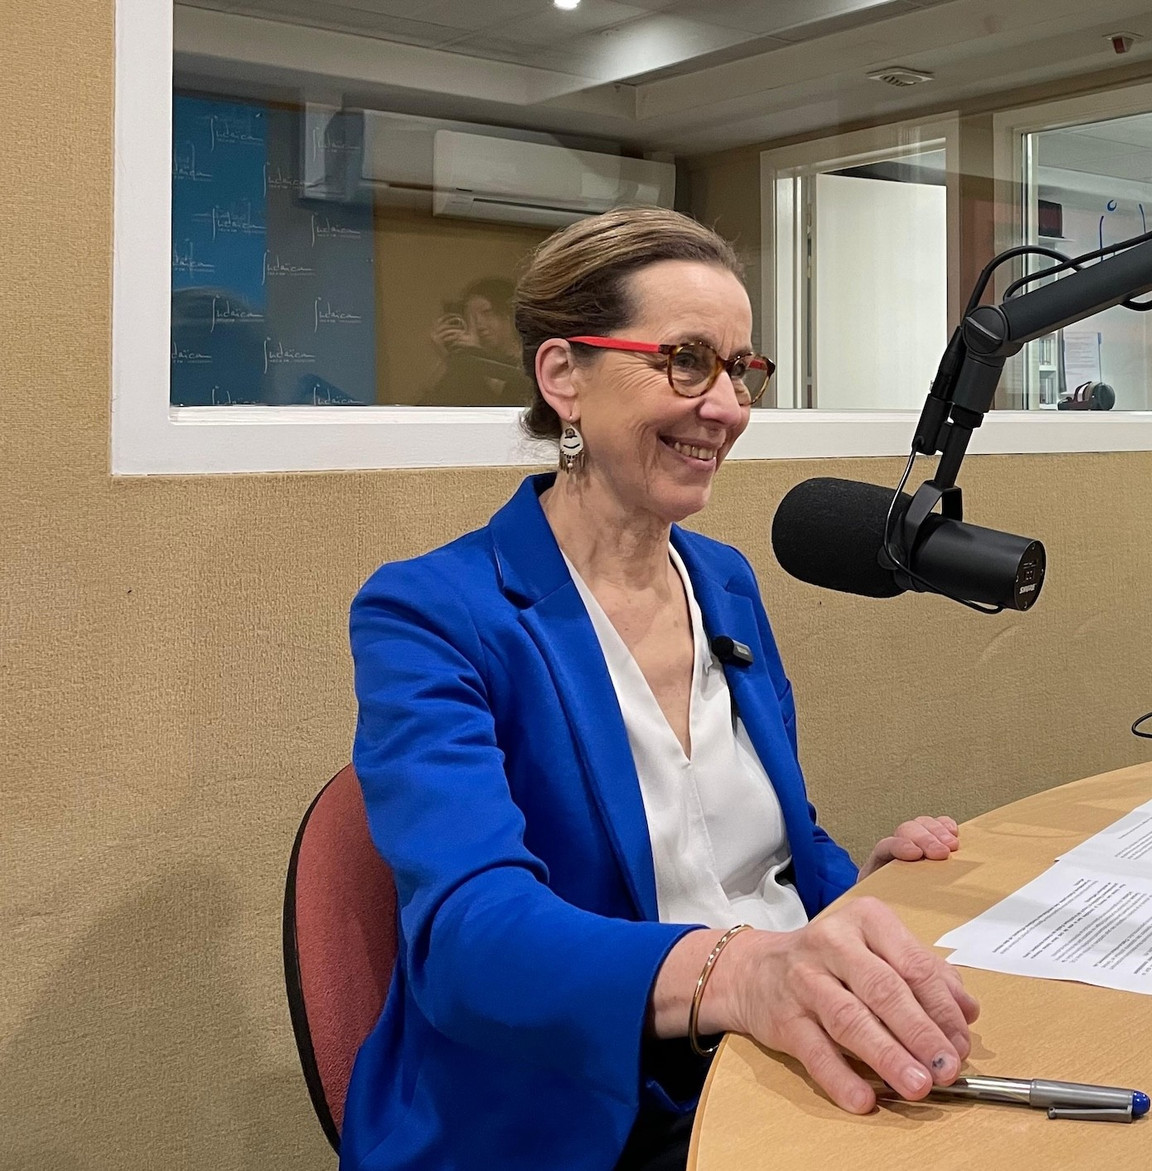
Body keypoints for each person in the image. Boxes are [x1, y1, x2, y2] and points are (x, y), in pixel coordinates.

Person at [343, 207, 979, 1170]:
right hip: (577, 1107)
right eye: (686, 361)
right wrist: (740, 972)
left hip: (762, 1059)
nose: (725, 405)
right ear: (564, 377)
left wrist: (849, 886)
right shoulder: (432, 610)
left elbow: (766, 848)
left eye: (741, 368)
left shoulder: (723, 578)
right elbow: (469, 939)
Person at [419, 277, 531, 406]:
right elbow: (426, 409)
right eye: (470, 316)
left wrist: (476, 354)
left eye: (487, 312)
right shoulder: (468, 369)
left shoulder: (533, 359)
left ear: (510, 314)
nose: (479, 324)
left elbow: (517, 389)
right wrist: (449, 359)